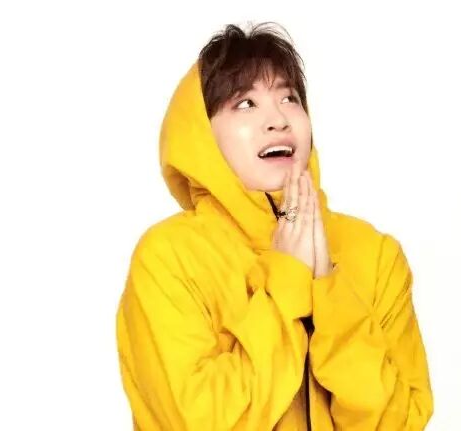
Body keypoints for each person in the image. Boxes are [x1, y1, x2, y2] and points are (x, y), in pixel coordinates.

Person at [116, 22, 434, 430]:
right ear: (201, 136)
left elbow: (399, 422)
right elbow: (197, 421)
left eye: (289, 98)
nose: (278, 119)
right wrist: (287, 280)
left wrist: (327, 286)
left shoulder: (374, 254)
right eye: (245, 103)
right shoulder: (169, 257)